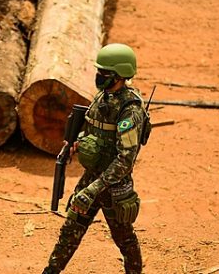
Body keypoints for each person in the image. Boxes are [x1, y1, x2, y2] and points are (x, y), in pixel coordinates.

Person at [42, 43, 149, 274]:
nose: (99, 77)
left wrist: (93, 190)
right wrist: (79, 142)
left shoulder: (130, 109)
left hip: (114, 187)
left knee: (124, 240)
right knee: (70, 230)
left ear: (120, 75)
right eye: (98, 72)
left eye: (105, 73)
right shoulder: (102, 97)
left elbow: (125, 160)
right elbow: (93, 129)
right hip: (90, 178)